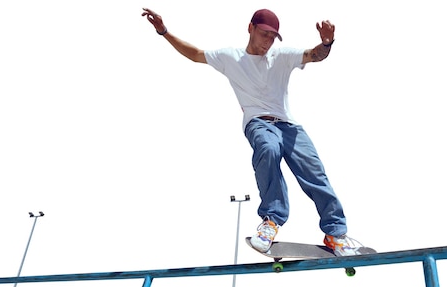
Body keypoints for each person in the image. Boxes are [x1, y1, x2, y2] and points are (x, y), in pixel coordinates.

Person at [142, 8, 364, 256]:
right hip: (258, 123)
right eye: (264, 34)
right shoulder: (230, 57)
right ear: (251, 28)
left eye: (272, 37)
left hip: (289, 125)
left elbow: (315, 55)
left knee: (314, 171)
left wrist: (327, 42)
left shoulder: (282, 56)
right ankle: (271, 221)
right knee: (268, 149)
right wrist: (164, 31)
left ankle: (335, 233)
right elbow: (194, 54)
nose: (268, 42)